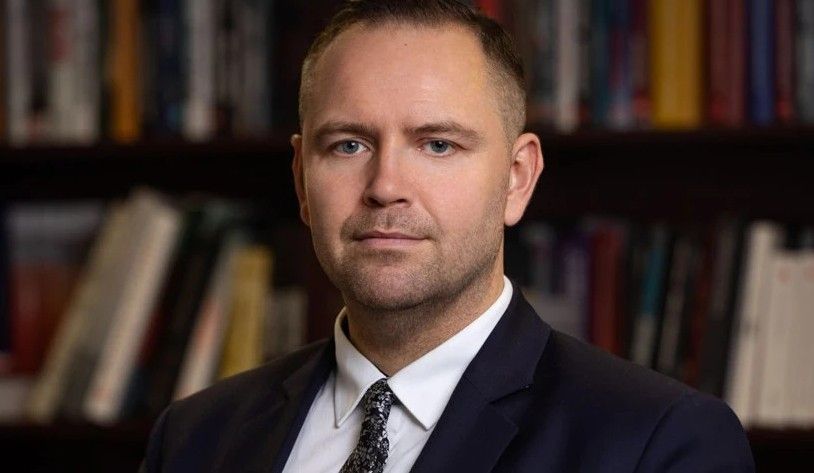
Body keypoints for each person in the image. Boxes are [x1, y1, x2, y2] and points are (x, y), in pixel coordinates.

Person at [140, 1, 754, 471]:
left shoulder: (658, 442)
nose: (386, 186)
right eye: (348, 145)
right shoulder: (193, 439)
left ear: (517, 178)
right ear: (302, 179)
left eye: (437, 144)